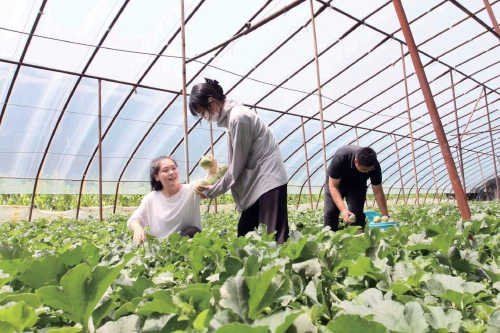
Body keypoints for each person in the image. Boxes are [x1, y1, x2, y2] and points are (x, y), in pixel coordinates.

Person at [188, 78, 289, 244]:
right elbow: (242, 159)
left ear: (211, 101)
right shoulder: (233, 119)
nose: (205, 117)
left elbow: (237, 166)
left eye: (202, 112)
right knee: (245, 233)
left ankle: (281, 269)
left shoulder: (238, 117)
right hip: (259, 184)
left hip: (268, 183)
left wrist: (213, 190)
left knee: (274, 239)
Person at [127, 155, 217, 245]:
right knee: (140, 240)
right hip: (162, 251)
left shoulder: (191, 190)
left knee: (192, 231)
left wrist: (211, 167)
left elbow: (207, 184)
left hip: (187, 247)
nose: (171, 172)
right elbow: (133, 220)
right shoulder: (151, 198)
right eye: (165, 170)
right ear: (156, 177)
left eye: (174, 168)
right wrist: (138, 229)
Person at [324, 145, 391, 232]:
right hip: (336, 184)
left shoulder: (374, 167)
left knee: (357, 213)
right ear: (356, 161)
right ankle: (330, 239)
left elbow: (378, 192)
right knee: (331, 213)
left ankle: (360, 240)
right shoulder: (341, 157)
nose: (367, 172)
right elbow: (333, 186)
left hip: (357, 186)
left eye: (369, 170)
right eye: (364, 170)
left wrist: (386, 217)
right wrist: (343, 210)